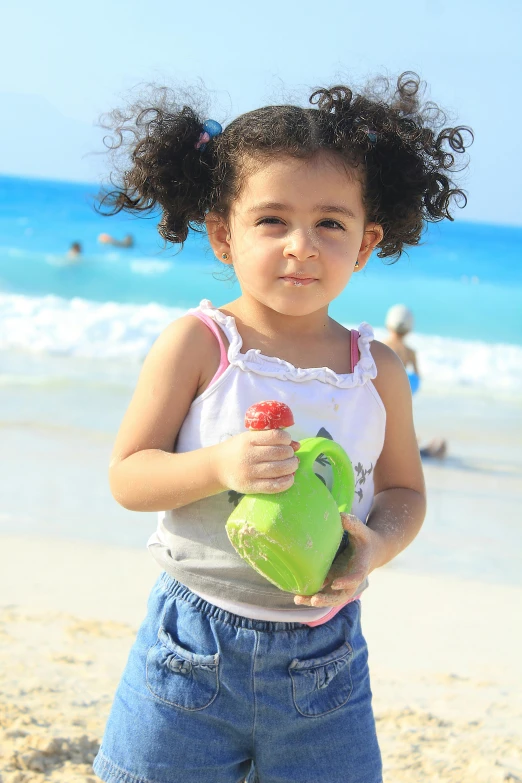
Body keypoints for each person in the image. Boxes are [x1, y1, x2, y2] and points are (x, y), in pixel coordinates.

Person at [93, 73, 471, 783]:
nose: (301, 244)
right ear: (221, 234)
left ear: (365, 245)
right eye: (272, 220)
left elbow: (404, 492)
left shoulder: (377, 369)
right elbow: (128, 474)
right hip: (191, 648)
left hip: (325, 659)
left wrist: (376, 545)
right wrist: (220, 465)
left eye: (330, 222)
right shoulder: (200, 344)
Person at [384, 304, 448, 459]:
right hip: (400, 392)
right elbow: (417, 378)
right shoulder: (410, 352)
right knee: (398, 426)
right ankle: (418, 450)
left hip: (382, 390)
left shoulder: (381, 346)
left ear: (388, 324)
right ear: (410, 328)